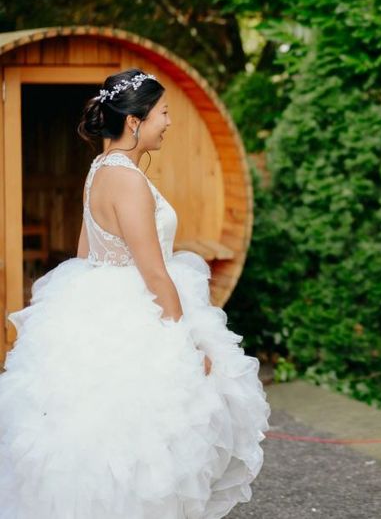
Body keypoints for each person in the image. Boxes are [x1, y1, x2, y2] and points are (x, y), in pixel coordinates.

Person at [0, 69, 269, 519]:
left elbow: (88, 252)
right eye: (163, 112)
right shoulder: (127, 178)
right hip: (139, 317)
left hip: (103, 306)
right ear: (134, 122)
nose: (168, 122)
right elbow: (155, 273)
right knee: (146, 449)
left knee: (105, 443)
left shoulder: (99, 170)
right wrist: (186, 345)